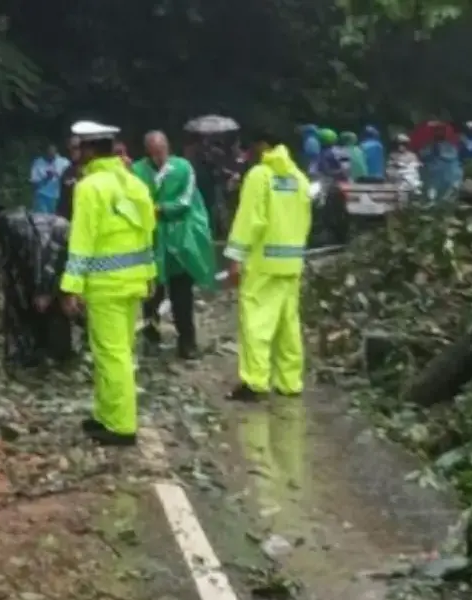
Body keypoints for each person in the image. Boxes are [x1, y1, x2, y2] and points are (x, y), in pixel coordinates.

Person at [60, 121, 157, 446]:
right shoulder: (134, 183)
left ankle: (120, 425)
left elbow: (82, 240)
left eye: (80, 148)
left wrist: (71, 286)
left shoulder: (90, 187)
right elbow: (147, 233)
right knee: (119, 351)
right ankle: (105, 415)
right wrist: (150, 274)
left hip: (106, 284)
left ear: (89, 150)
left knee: (110, 354)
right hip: (133, 282)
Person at [224, 127, 313, 401]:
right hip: (291, 262)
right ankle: (290, 382)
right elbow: (306, 220)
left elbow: (250, 219)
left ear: (263, 145)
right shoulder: (299, 178)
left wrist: (236, 257)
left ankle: (255, 382)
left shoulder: (260, 176)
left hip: (263, 262)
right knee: (288, 325)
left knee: (257, 323)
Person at [133, 131, 218, 359]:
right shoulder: (138, 171)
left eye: (162, 151)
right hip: (152, 240)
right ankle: (151, 338)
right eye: (154, 152)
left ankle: (187, 342)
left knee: (182, 295)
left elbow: (185, 201)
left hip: (179, 240)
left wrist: (160, 209)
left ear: (168, 147)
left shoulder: (183, 168)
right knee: (151, 294)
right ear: (147, 151)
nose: (159, 157)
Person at [0, 205, 74, 368]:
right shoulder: (8, 231)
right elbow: (14, 270)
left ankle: (57, 353)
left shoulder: (13, 224)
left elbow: (40, 252)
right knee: (28, 298)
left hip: (59, 246)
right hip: (53, 250)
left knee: (51, 302)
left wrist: (43, 289)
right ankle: (38, 349)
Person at [419, 122, 462, 202]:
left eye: (441, 131)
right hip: (432, 172)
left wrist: (441, 153)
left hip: (447, 173)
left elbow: (453, 155)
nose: (439, 133)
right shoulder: (429, 144)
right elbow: (422, 155)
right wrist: (432, 152)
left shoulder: (449, 145)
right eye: (437, 131)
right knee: (432, 190)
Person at [29, 144, 71, 214]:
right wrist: (46, 178)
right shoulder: (38, 163)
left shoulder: (63, 162)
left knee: (56, 220)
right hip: (42, 196)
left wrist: (61, 176)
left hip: (58, 197)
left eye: (53, 155)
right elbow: (34, 183)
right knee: (42, 219)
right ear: (45, 154)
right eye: (49, 154)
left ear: (56, 153)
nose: (51, 157)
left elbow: (71, 173)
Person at [386, 134, 422, 202]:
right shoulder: (393, 155)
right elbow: (389, 170)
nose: (401, 146)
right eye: (399, 144)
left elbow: (416, 169)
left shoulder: (412, 155)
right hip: (397, 180)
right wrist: (395, 166)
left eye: (403, 144)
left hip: (410, 180)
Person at [56, 135, 83, 221]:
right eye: (70, 148)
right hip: (71, 221)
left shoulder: (93, 170)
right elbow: (63, 202)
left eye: (76, 148)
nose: (72, 151)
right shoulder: (67, 172)